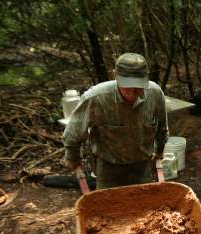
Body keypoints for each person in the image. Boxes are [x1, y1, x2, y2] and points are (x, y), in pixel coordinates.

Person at [62, 53, 168, 189]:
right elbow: (73, 133)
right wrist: (73, 157)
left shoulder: (155, 94)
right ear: (115, 75)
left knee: (143, 206)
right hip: (109, 168)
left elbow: (162, 128)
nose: (132, 93)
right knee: (108, 207)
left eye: (137, 88)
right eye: (127, 87)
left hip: (142, 165)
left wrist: (159, 152)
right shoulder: (97, 98)